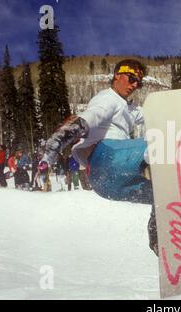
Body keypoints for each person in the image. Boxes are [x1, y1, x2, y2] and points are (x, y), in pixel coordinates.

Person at [39, 60, 160, 254]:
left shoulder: (129, 108)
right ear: (117, 76)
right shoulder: (108, 98)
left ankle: (159, 241)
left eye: (139, 82)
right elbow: (91, 117)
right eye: (131, 79)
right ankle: (155, 160)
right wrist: (55, 145)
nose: (135, 85)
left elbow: (151, 115)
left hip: (105, 185)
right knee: (161, 146)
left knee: (162, 195)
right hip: (107, 157)